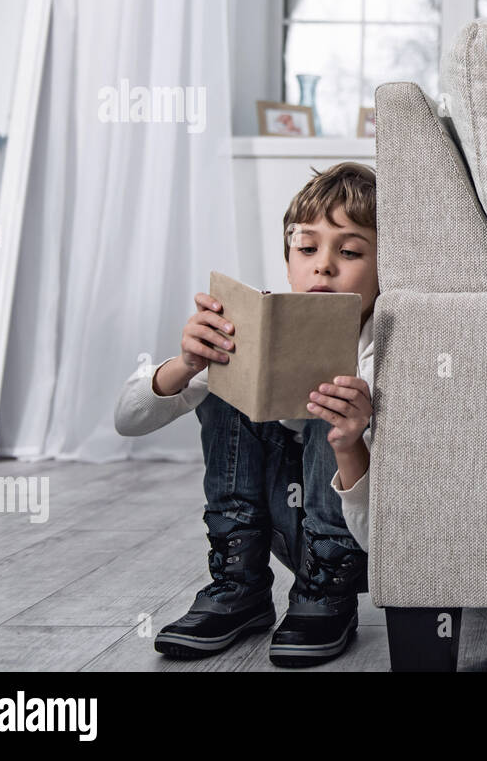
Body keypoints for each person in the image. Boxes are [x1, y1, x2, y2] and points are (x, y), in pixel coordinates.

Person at [113, 162, 378, 665]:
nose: (323, 266)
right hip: (274, 515)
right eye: (306, 249)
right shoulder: (258, 327)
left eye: (349, 251)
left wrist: (350, 444)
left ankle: (325, 593)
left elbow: (379, 533)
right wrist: (188, 363)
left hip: (352, 537)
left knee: (336, 393)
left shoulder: (384, 351)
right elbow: (127, 420)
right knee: (224, 373)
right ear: (288, 264)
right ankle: (239, 584)